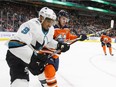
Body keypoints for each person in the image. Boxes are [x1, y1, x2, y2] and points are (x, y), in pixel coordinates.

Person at [6, 7, 70, 87]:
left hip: (32, 56)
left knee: (45, 77)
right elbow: (14, 44)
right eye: (48, 21)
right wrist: (34, 57)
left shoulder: (50, 29)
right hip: (16, 56)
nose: (50, 24)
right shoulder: (31, 25)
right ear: (41, 18)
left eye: (52, 21)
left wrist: (58, 45)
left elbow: (48, 41)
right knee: (21, 83)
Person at [38, 10, 87, 87]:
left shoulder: (66, 29)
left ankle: (43, 80)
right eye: (63, 19)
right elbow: (45, 40)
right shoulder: (51, 28)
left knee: (53, 71)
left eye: (66, 19)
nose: (65, 21)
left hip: (56, 55)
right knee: (49, 70)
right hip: (47, 54)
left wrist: (78, 37)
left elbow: (68, 39)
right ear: (58, 18)